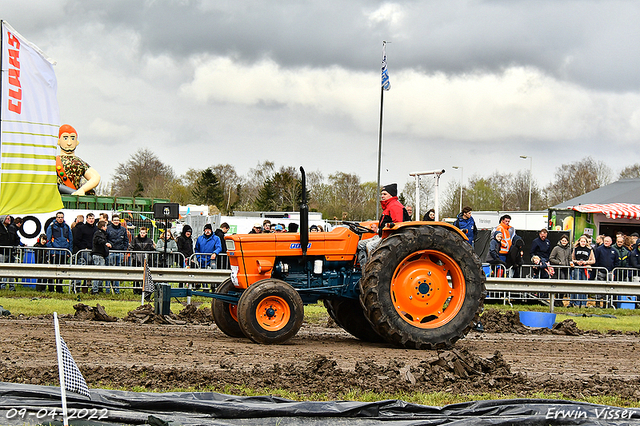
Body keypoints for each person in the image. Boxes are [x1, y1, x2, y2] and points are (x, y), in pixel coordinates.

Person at [56, 124, 101, 195]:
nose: (69, 143)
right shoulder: (53, 161)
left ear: (77, 142)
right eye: (65, 138)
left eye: (72, 138)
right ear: (58, 141)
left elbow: (96, 177)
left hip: (74, 199)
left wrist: (82, 190)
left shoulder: (79, 163)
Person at [46, 211, 73, 293]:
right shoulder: (51, 227)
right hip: (55, 253)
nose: (60, 219)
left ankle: (59, 289)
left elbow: (71, 240)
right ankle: (51, 288)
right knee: (52, 272)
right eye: (59, 217)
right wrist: (52, 252)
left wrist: (69, 252)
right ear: (56, 218)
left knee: (61, 272)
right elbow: (48, 240)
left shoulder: (67, 227)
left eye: (62, 217)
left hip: (64, 253)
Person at [105, 214, 128, 294]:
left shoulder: (123, 229)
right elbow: (105, 239)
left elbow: (126, 240)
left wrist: (124, 250)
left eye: (117, 220)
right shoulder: (108, 229)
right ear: (112, 221)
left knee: (118, 272)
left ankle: (117, 290)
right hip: (110, 252)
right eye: (114, 220)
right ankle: (108, 290)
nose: (116, 222)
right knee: (109, 272)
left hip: (120, 252)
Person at [572, 235, 595, 307]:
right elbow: (572, 259)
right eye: (581, 241)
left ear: (586, 242)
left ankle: (584, 303)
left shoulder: (589, 249)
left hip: (585, 268)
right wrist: (576, 261)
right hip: (577, 267)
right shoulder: (575, 249)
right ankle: (576, 303)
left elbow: (593, 260)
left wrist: (586, 262)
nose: (583, 243)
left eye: (584, 241)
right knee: (577, 285)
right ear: (579, 242)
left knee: (584, 286)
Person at [91, 220, 111, 294]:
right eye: (106, 226)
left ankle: (99, 288)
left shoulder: (102, 234)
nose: (106, 228)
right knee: (98, 272)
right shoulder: (99, 234)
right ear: (103, 227)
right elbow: (99, 240)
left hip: (101, 255)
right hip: (98, 255)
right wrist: (106, 243)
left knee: (100, 272)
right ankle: (95, 289)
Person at [0, 216, 14, 291]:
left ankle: (11, 286)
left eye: (9, 218)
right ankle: (2, 286)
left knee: (10, 270)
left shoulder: (10, 228)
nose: (9, 220)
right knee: (2, 270)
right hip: (1, 252)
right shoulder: (1, 229)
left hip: (9, 252)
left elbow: (15, 238)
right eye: (7, 218)